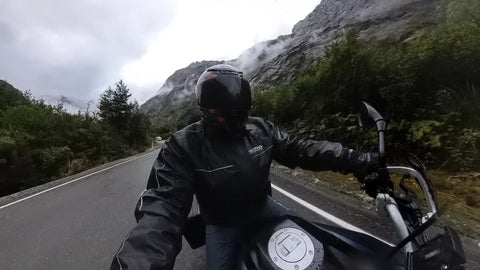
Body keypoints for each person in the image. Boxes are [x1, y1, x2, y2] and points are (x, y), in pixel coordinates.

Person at [111, 64, 379, 270]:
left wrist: (355, 158)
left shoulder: (261, 129)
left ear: (245, 108)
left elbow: (300, 149)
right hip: (221, 223)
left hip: (263, 207)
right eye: (216, 114)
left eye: (234, 114)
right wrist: (138, 263)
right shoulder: (182, 146)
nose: (226, 121)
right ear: (204, 109)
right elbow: (162, 209)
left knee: (319, 239)